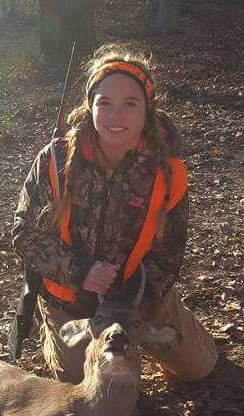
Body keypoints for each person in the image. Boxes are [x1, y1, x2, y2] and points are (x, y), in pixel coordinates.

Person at [11, 46, 217, 384]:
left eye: (130, 104)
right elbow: (25, 236)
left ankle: (163, 326)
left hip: (139, 301)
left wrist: (138, 303)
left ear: (148, 111)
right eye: (104, 103)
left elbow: (169, 253)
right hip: (72, 300)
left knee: (200, 369)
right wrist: (78, 271)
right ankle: (54, 332)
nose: (115, 115)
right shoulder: (56, 160)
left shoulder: (168, 172)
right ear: (90, 106)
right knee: (85, 386)